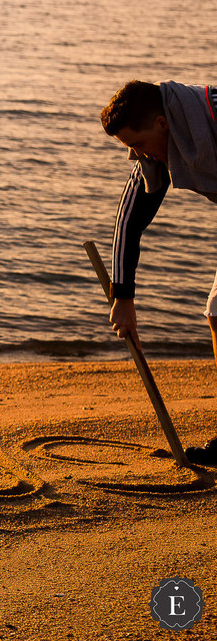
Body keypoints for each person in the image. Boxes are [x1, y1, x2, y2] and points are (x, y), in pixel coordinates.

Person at [101, 79, 217, 466]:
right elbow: (130, 220)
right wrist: (123, 297)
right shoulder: (155, 152)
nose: (136, 155)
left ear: (161, 123)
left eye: (138, 144)